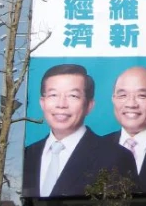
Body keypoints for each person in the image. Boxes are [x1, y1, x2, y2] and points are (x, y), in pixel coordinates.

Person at [23, 63, 139, 197]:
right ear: (42, 102)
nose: (61, 104)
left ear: (89, 105)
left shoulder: (116, 157)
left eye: (73, 96)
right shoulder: (28, 155)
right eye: (53, 95)